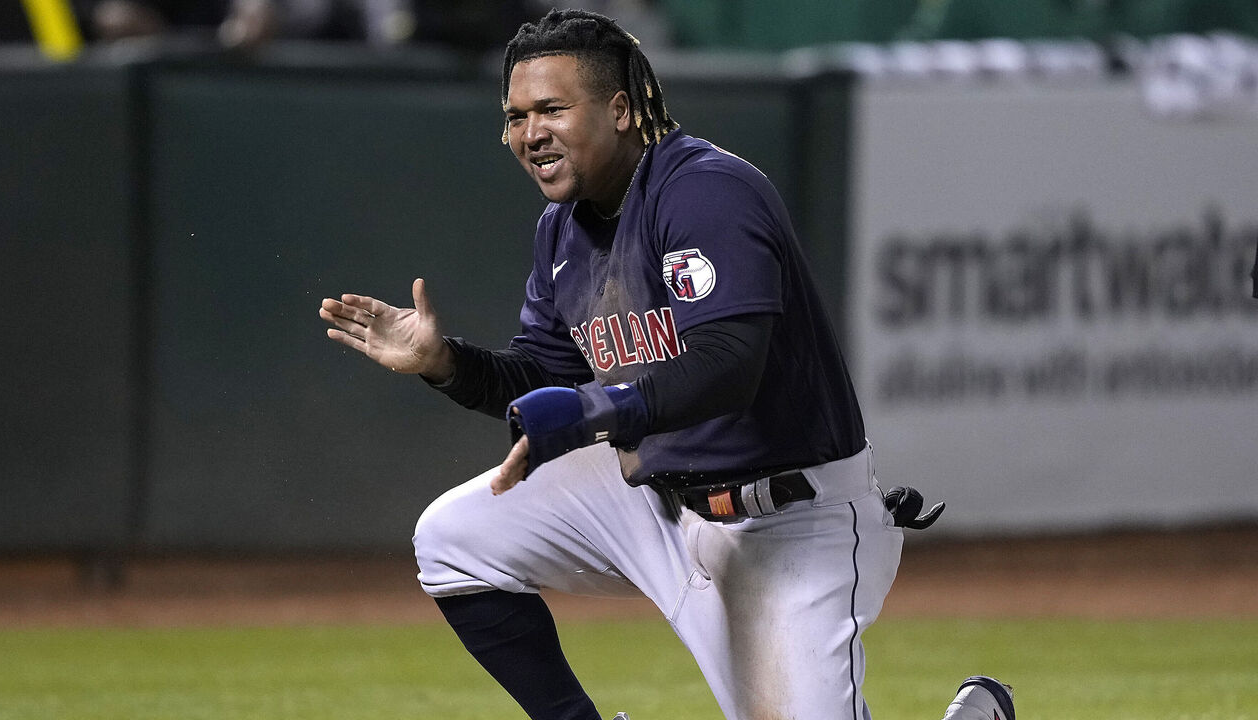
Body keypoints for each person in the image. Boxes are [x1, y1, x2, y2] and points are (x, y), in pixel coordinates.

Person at [319, 9, 1014, 720]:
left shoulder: (706, 189)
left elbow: (728, 364)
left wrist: (597, 409)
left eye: (552, 109)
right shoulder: (561, 229)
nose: (530, 134)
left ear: (619, 109)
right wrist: (445, 363)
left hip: (790, 522)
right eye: (517, 116)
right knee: (453, 538)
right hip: (656, 504)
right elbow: (542, 381)